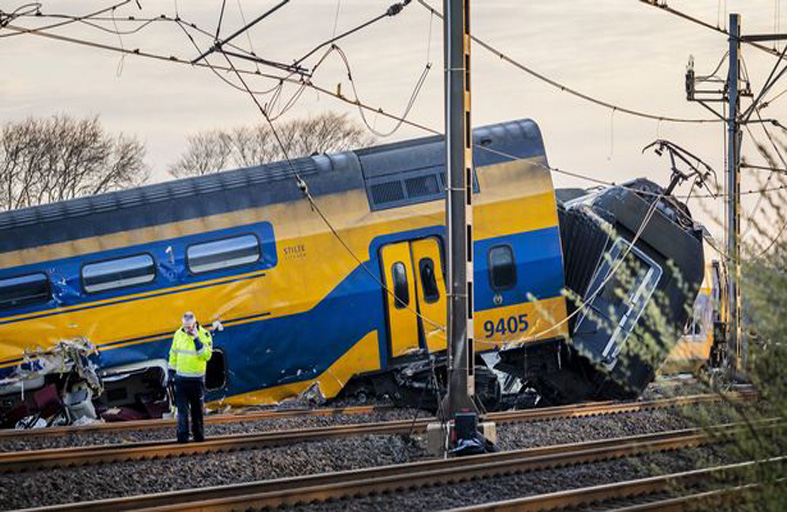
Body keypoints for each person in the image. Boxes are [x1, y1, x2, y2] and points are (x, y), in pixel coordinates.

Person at [168, 311, 212, 443]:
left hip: (197, 381)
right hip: (181, 380)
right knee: (182, 411)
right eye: (185, 327)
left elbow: (207, 356)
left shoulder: (204, 334)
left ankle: (198, 437)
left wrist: (196, 339)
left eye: (190, 327)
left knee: (197, 411)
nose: (187, 329)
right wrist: (171, 373)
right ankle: (182, 438)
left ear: (195, 323)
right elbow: (173, 354)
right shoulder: (178, 334)